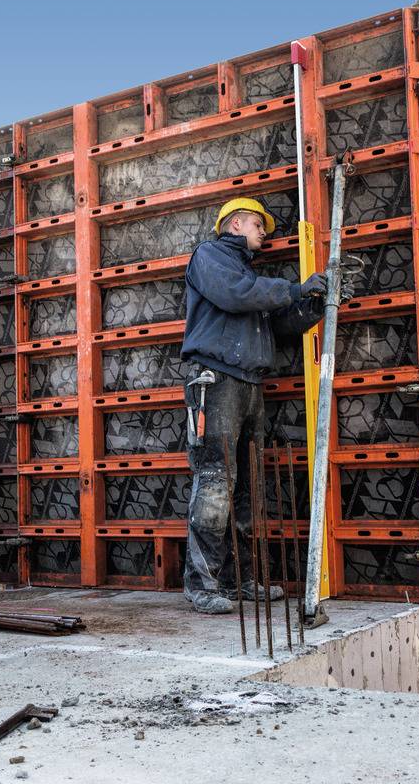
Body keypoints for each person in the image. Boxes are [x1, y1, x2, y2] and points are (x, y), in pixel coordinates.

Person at [179, 197, 328, 614]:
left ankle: (239, 581)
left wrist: (313, 305)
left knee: (245, 487)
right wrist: (294, 288)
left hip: (247, 384)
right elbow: (235, 295)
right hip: (216, 380)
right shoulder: (209, 258)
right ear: (236, 223)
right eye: (259, 225)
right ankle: (202, 584)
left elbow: (276, 325)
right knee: (214, 481)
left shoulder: (248, 276)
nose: (264, 232)